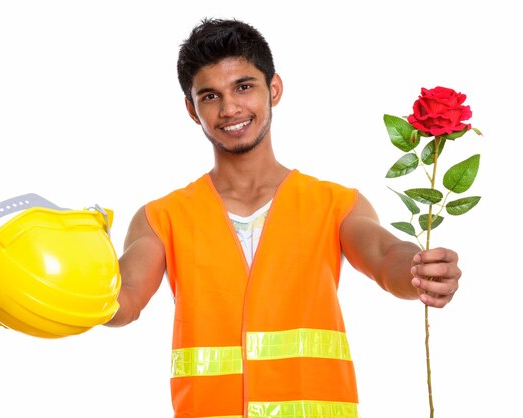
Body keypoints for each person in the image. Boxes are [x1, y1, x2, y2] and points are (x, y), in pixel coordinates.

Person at [105, 18, 461, 418]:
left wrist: (420, 270)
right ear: (192, 110)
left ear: (273, 88)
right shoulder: (161, 217)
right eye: (210, 96)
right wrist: (64, 283)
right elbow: (123, 300)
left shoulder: (334, 203)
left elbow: (384, 253)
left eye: (244, 86)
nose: (230, 109)